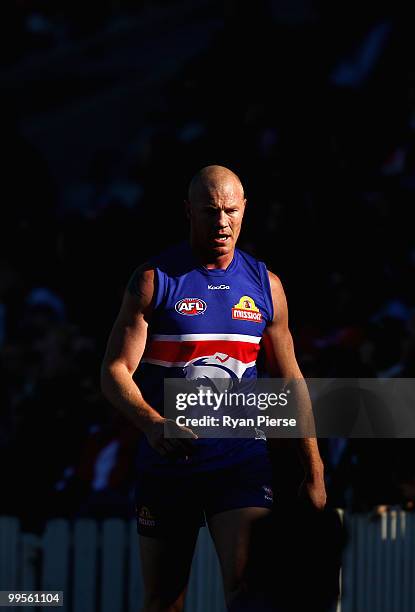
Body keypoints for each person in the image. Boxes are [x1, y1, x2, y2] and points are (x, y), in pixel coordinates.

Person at [100, 165, 326, 611]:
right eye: (209, 212)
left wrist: (314, 470)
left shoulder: (266, 285)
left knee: (248, 589)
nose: (221, 222)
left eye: (230, 211)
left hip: (240, 461)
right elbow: (113, 371)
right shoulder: (153, 280)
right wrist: (152, 423)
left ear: (244, 211)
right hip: (169, 463)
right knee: (165, 599)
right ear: (188, 212)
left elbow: (290, 380)